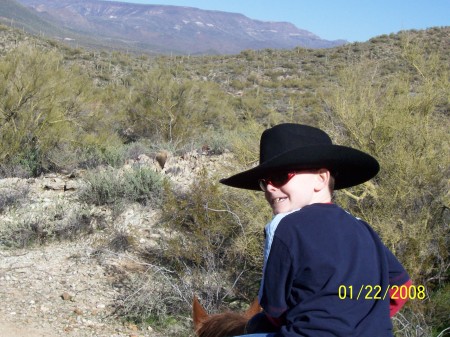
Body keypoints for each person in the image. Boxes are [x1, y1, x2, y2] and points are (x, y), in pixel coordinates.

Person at [220, 123, 412, 337]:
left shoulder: (284, 225)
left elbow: (274, 308)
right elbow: (402, 287)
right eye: (265, 183)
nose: (271, 188)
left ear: (320, 179)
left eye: (281, 177)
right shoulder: (363, 228)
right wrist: (361, 317)